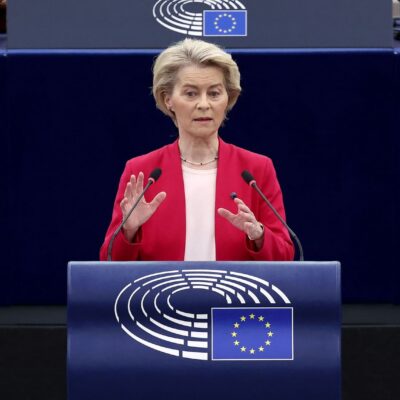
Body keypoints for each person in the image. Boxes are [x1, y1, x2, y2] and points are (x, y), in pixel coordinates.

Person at [100, 39, 294, 262]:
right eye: (191, 94)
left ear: (228, 98)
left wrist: (258, 235)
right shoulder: (142, 171)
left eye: (214, 93)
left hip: (233, 286)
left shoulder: (256, 169)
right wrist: (129, 230)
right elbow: (109, 262)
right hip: (163, 286)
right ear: (168, 99)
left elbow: (285, 257)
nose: (204, 104)